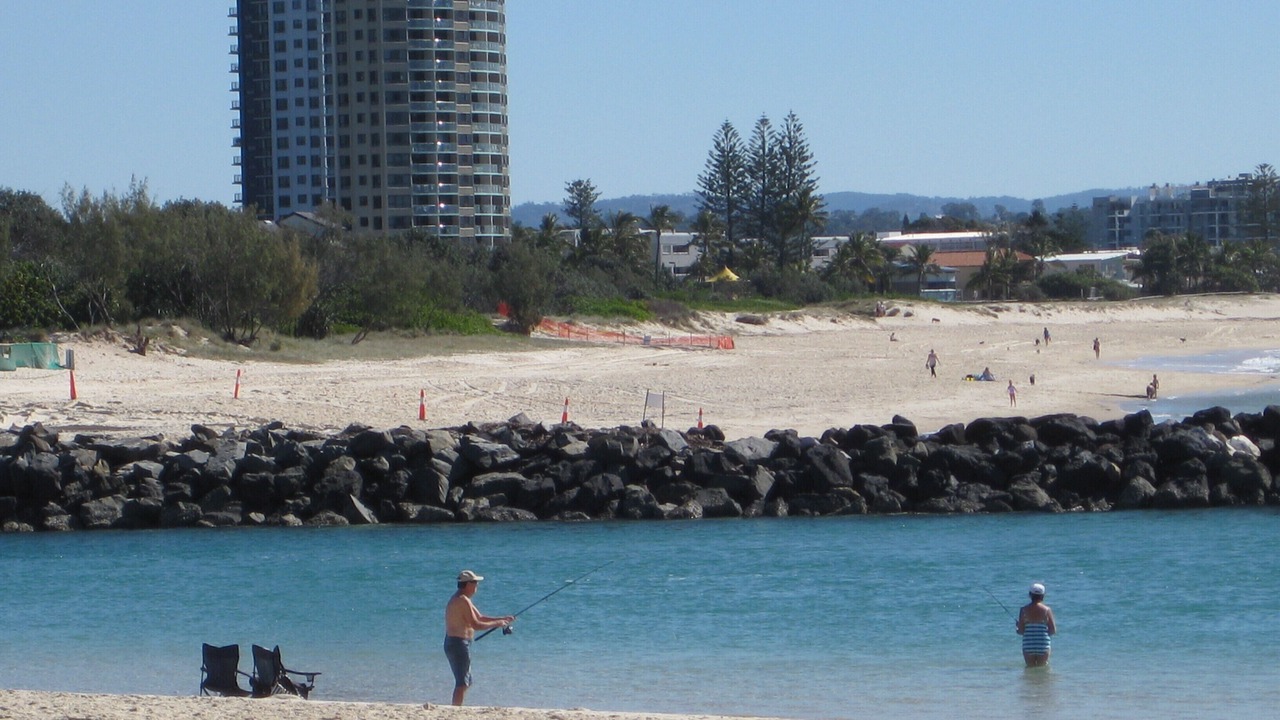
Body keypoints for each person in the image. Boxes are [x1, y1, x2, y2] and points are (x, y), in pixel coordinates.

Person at [444, 570, 515, 706]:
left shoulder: (463, 599)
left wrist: (502, 619)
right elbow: (476, 624)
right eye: (475, 582)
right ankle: (455, 710)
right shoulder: (462, 600)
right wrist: (497, 623)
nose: (477, 586)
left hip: (459, 643)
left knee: (466, 681)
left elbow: (480, 617)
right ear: (468, 584)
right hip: (457, 644)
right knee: (462, 683)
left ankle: (456, 708)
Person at [1016, 582, 1056, 667]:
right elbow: (1052, 630)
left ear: (1030, 595)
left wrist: (1018, 627)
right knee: (1043, 669)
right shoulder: (1047, 610)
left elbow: (1021, 631)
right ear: (1043, 595)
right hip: (1043, 643)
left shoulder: (1023, 610)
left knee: (1030, 669)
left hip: (1028, 644)